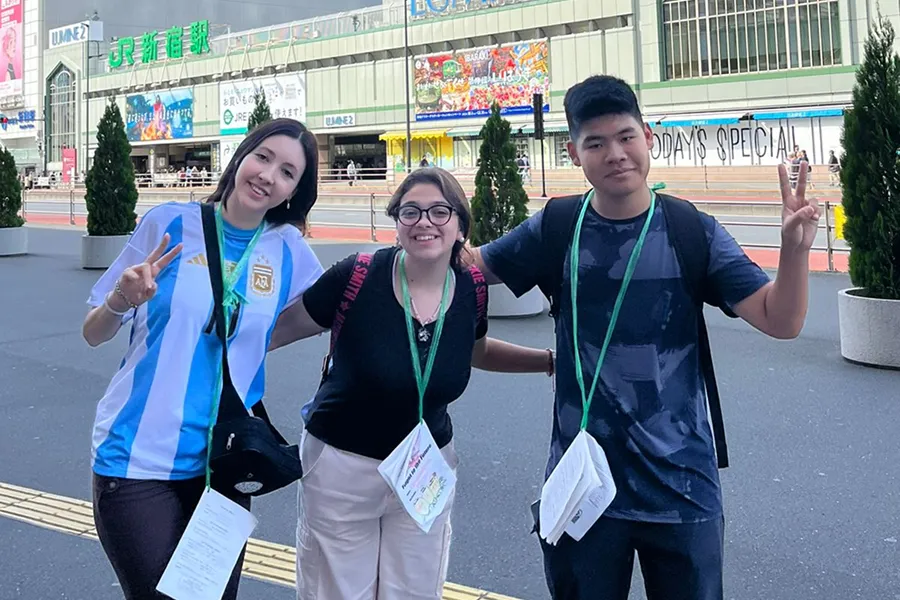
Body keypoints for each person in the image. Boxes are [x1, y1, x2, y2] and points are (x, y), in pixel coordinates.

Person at [470, 75, 820, 600]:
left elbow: (781, 320)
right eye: (596, 143)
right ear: (573, 152)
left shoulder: (691, 230)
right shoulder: (558, 227)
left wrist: (794, 251)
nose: (615, 153)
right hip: (585, 487)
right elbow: (471, 266)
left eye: (626, 136)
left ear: (649, 136)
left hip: (682, 487)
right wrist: (426, 222)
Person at [268, 167, 556, 600]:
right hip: (342, 466)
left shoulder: (470, 288)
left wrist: (551, 362)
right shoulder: (357, 277)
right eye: (411, 212)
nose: (425, 222)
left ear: (460, 225)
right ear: (396, 222)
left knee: (416, 593)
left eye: (440, 212)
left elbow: (476, 352)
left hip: (425, 467)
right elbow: (271, 333)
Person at [81, 118, 324, 600]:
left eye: (288, 172)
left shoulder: (288, 250)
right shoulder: (169, 222)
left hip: (226, 461)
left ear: (295, 190)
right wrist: (120, 300)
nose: (268, 175)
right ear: (241, 156)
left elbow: (333, 310)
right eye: (263, 157)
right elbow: (94, 333)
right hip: (136, 458)